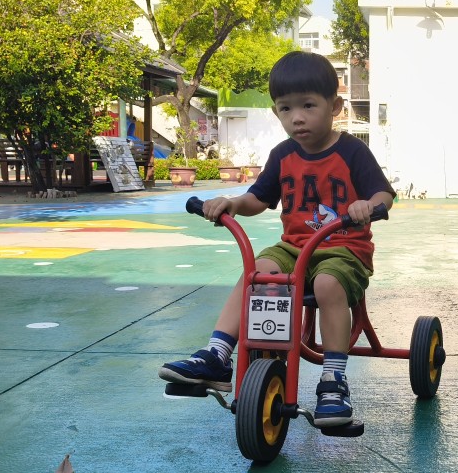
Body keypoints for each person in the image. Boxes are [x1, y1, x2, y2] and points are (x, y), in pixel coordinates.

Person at [159, 51, 395, 427]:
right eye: (286, 109)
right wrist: (233, 203)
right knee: (259, 272)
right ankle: (218, 354)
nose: (297, 117)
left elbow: (383, 194)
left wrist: (368, 205)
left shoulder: (352, 151)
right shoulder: (282, 155)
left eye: (308, 105)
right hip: (294, 247)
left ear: (334, 107)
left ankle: (333, 380)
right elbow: (259, 198)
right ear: (276, 112)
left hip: (344, 248)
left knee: (328, 283)